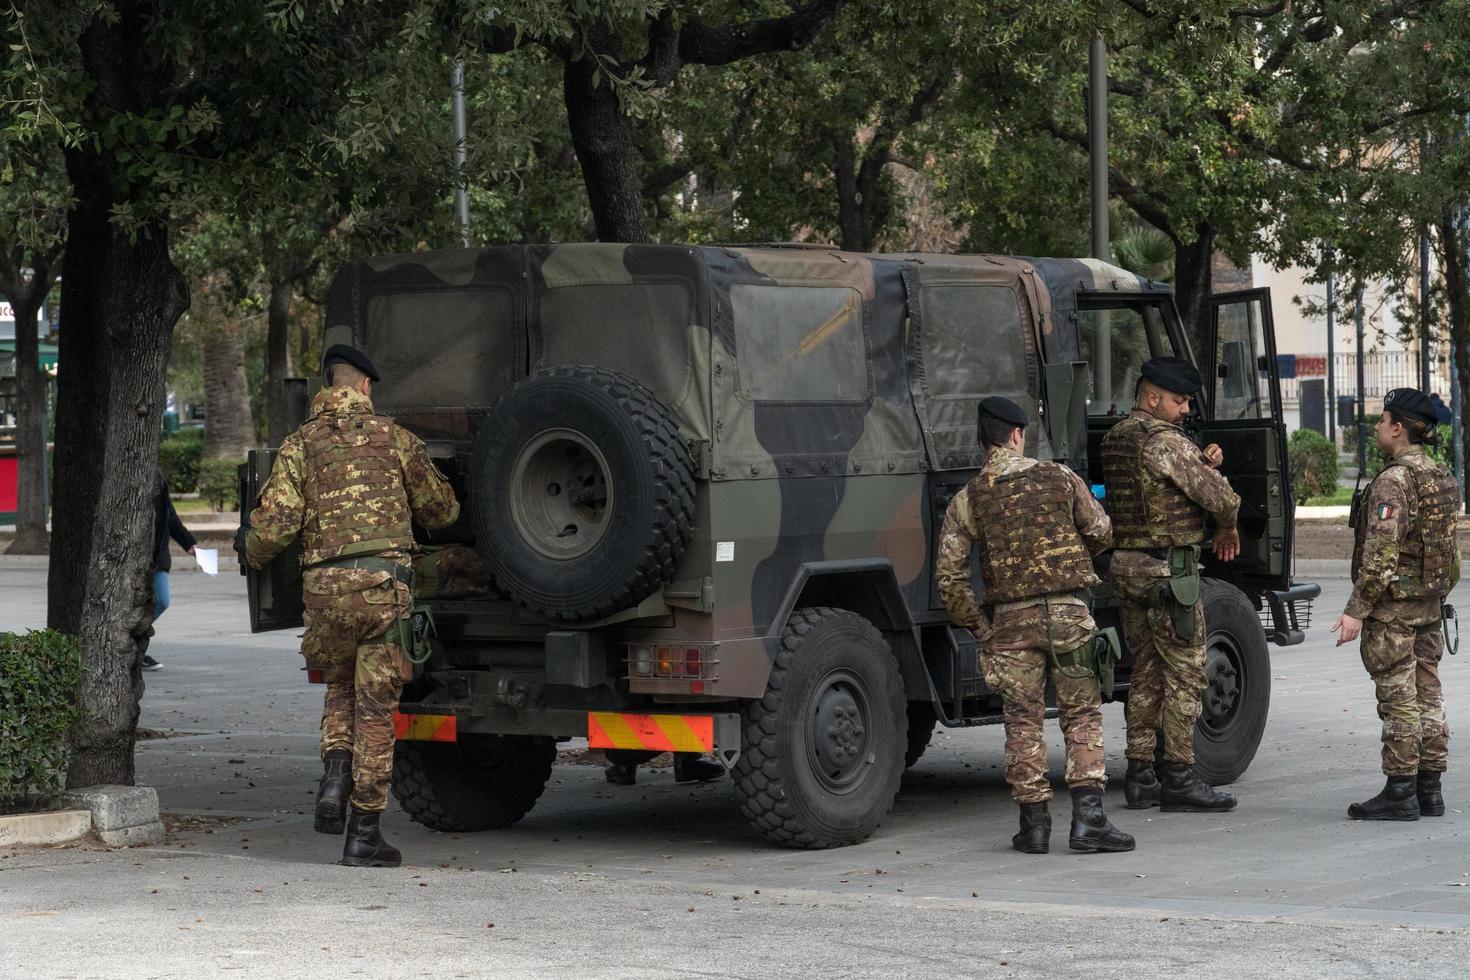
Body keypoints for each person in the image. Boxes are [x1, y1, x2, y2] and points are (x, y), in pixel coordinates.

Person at [239, 344, 460, 867]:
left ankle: (335, 776)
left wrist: (248, 549)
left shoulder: (300, 444)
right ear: (365, 386)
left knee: (340, 688)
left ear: (327, 387)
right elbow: (442, 509)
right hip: (384, 591)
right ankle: (363, 833)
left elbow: (273, 529)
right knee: (378, 711)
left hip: (323, 595)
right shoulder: (396, 438)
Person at [937, 396, 1134, 854]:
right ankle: (1089, 822)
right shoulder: (1060, 477)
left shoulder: (969, 498)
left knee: (1022, 721)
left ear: (982, 439)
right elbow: (1102, 532)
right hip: (1068, 614)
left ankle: (1034, 827)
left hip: (1009, 622)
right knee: (1082, 714)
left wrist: (982, 629)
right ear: (1017, 434)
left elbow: (950, 579)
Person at [1101, 356, 1240, 813]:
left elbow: (1153, 489)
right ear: (1153, 396)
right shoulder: (1164, 444)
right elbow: (1220, 497)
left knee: (1143, 671)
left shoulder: (1117, 438)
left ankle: (1140, 775)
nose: (1185, 411)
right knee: (1185, 673)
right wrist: (1226, 526)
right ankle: (1179, 776)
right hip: (1168, 575)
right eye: (1179, 401)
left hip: (1128, 568)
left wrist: (1200, 458)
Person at [1330, 387, 1459, 820]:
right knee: (1428, 692)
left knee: (1398, 696)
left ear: (1399, 428)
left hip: (1394, 611)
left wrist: (1356, 610)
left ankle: (1400, 790)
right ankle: (1430, 788)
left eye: (1383, 420)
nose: (1378, 427)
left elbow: (1380, 555)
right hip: (1428, 604)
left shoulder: (1394, 480)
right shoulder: (1442, 475)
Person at [145, 467, 197, 671]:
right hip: (135, 558)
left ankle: (136, 643)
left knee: (162, 600)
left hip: (157, 558)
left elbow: (171, 518)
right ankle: (134, 647)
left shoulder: (159, 482)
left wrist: (189, 544)